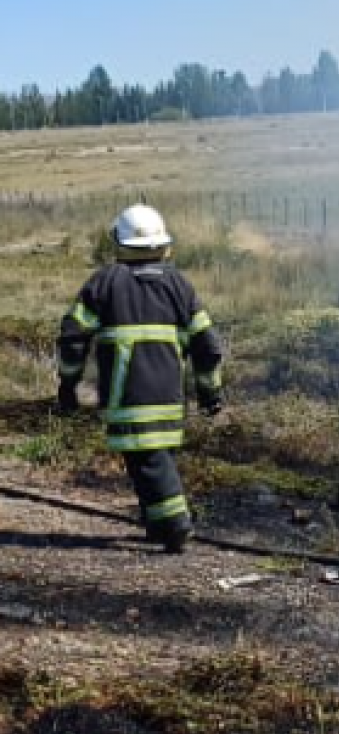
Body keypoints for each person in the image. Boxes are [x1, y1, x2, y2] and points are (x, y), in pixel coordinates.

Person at [55, 204, 226, 552]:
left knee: (148, 463)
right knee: (152, 459)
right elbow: (207, 346)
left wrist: (68, 385)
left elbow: (73, 336)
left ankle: (176, 525)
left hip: (127, 398)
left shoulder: (105, 282)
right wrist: (210, 393)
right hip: (169, 398)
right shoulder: (179, 285)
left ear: (118, 240)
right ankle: (156, 523)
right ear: (162, 243)